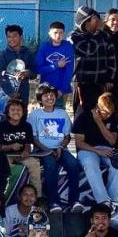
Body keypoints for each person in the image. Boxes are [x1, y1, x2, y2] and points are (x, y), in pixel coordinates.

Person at [29, 83, 83, 214]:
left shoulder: (62, 113)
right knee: (50, 165)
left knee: (73, 164)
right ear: (40, 98)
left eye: (52, 95)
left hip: (60, 148)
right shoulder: (35, 115)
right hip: (42, 150)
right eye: (46, 95)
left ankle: (74, 201)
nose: (49, 97)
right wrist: (47, 150)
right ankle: (54, 202)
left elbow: (67, 136)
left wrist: (61, 147)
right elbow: (34, 139)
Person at [73, 92, 118, 208]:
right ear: (97, 107)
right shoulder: (83, 117)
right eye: (105, 112)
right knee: (90, 164)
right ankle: (103, 201)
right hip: (87, 149)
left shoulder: (114, 117)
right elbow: (79, 143)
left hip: (106, 148)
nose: (107, 115)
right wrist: (97, 151)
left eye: (110, 113)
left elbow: (112, 141)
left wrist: (99, 122)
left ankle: (112, 200)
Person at [70, 5, 116, 116]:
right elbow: (87, 50)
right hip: (82, 85)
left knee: (101, 114)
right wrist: (96, 34)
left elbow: (111, 58)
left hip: (101, 84)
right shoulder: (74, 36)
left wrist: (110, 78)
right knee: (82, 116)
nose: (99, 21)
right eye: (95, 19)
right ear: (86, 21)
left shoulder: (105, 36)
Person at [0, 99, 43, 197]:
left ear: (23, 112)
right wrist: (10, 146)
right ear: (8, 112)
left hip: (22, 155)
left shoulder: (27, 126)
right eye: (13, 110)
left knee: (34, 164)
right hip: (6, 156)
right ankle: (5, 196)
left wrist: (26, 151)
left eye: (19, 110)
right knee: (7, 169)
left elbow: (28, 144)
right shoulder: (2, 126)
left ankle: (37, 198)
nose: (16, 112)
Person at [35, 21, 74, 109]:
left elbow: (69, 70)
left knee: (60, 111)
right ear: (49, 33)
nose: (58, 35)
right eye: (55, 32)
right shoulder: (44, 47)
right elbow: (38, 69)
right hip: (46, 87)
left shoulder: (68, 47)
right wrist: (55, 65)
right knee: (46, 112)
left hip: (62, 88)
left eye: (61, 33)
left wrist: (62, 89)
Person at [0, 24, 37, 105]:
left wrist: (28, 73)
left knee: (22, 114)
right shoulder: (3, 54)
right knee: (6, 115)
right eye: (9, 36)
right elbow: (1, 75)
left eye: (14, 36)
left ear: (21, 37)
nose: (11, 39)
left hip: (23, 90)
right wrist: (10, 92)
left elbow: (34, 73)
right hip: (6, 91)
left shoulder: (28, 53)